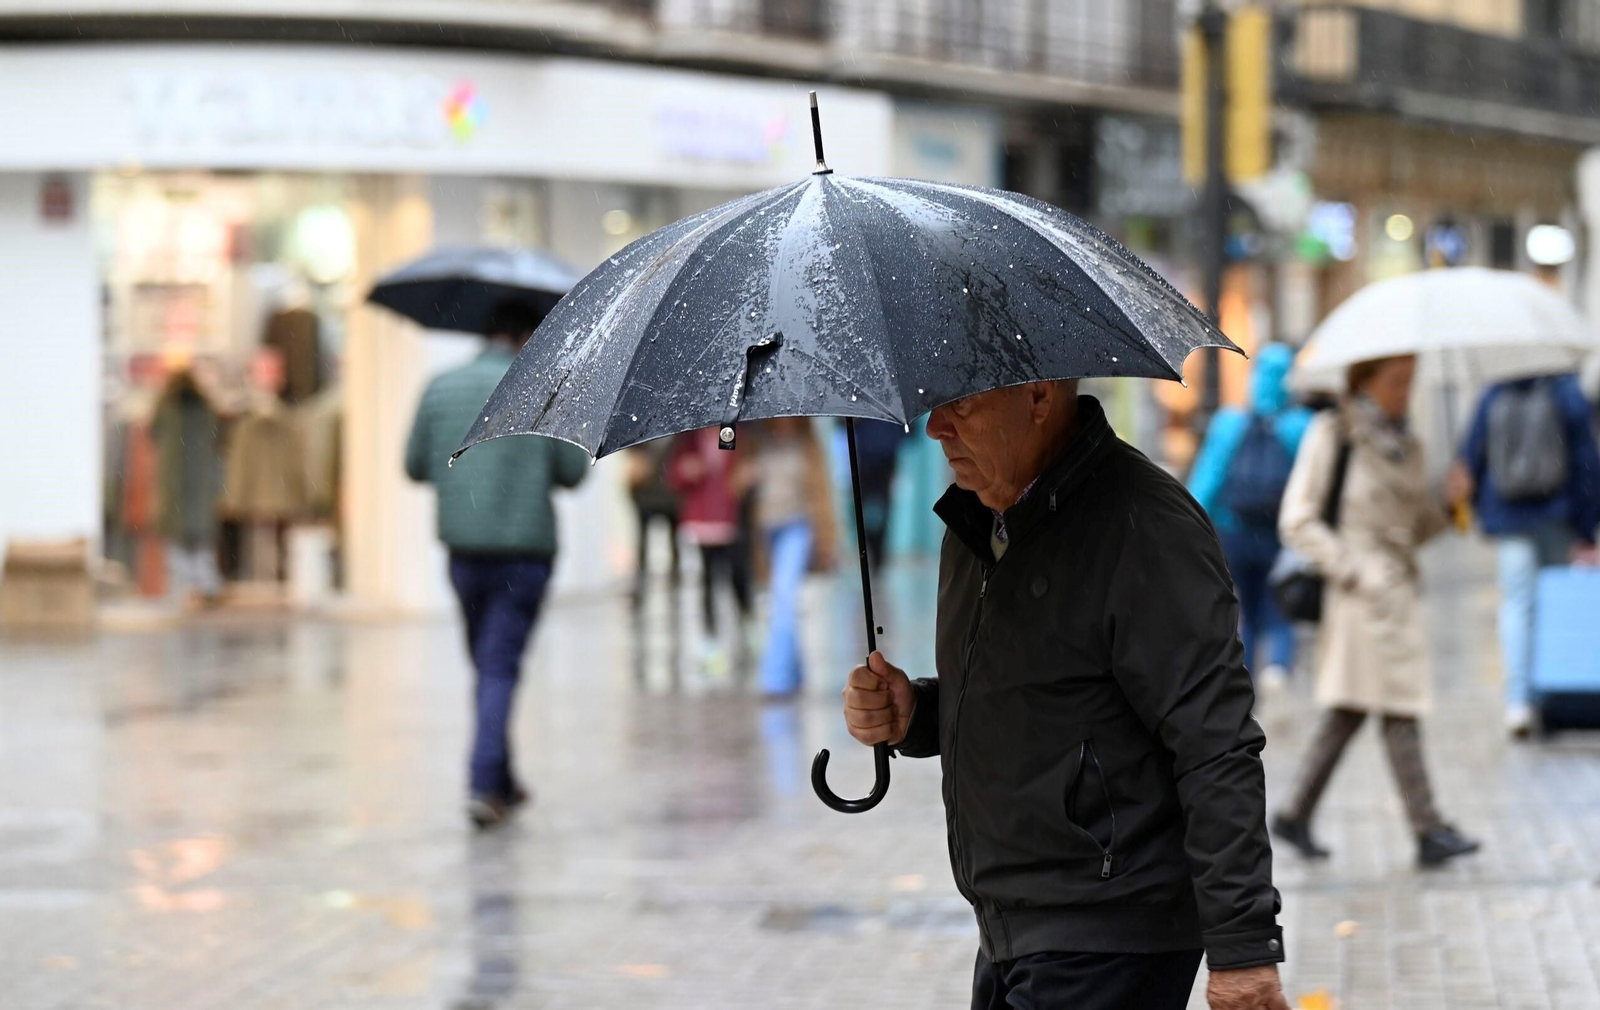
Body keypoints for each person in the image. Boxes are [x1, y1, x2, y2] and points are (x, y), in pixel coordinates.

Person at [842, 384, 1288, 1010]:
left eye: (962, 404)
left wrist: (1244, 945)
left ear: (1039, 396)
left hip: (1109, 929)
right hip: (1013, 928)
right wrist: (915, 715)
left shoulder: (1144, 524)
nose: (937, 425)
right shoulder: (973, 525)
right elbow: (1041, 700)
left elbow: (1215, 741)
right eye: (935, 402)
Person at [1273, 355, 1480, 868]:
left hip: (1399, 595)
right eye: (1395, 381)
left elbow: (1416, 529)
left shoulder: (1408, 445)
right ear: (1364, 381)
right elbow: (1297, 521)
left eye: (1411, 381)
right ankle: (1427, 829)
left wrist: (1452, 503)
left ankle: (1297, 812)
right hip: (1359, 601)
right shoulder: (1334, 434)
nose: (1405, 392)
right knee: (1396, 707)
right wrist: (1353, 569)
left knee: (1354, 709)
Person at [405, 301, 590, 829]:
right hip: (525, 554)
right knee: (499, 665)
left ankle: (501, 777)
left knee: (489, 664)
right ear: (523, 334)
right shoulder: (540, 388)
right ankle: (485, 784)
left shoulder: (440, 386)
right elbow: (573, 471)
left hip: (464, 551)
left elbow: (414, 464)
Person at [1445, 372, 1600, 737]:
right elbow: (1586, 461)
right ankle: (1549, 695)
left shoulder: (1493, 391)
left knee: (1517, 604)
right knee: (1551, 607)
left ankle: (1518, 701)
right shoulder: (1565, 390)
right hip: (1557, 513)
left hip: (1509, 514)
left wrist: (1473, 504)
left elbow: (1473, 455)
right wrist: (1587, 527)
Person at [1188, 343, 1313, 686]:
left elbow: (1207, 481)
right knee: (1280, 605)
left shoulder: (1230, 423)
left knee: (1246, 609)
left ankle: (1250, 682)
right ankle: (1278, 667)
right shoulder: (1300, 426)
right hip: (1279, 533)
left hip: (1235, 533)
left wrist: (1189, 532)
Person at [750, 417, 836, 698]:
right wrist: (746, 473)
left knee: (783, 597)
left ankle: (774, 679)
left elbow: (822, 492)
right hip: (763, 532)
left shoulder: (808, 443)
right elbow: (734, 484)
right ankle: (795, 672)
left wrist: (826, 539)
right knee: (778, 598)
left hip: (797, 527)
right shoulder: (754, 439)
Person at [667, 427, 754, 671]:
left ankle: (747, 624)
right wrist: (686, 470)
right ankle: (710, 641)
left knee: (737, 575)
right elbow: (674, 475)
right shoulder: (688, 439)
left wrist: (745, 478)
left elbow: (742, 467)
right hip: (701, 522)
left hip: (729, 519)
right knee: (707, 582)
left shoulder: (733, 434)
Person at [843, 418, 909, 573]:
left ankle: (877, 554)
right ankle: (872, 552)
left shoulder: (893, 404)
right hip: (864, 461)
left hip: (885, 462)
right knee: (863, 510)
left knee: (882, 510)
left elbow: (909, 432)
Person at [624, 439, 681, 609]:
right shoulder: (639, 436)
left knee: (673, 544)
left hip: (670, 494)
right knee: (643, 545)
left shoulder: (678, 435)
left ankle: (673, 583)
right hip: (647, 494)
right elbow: (634, 463)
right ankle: (641, 584)